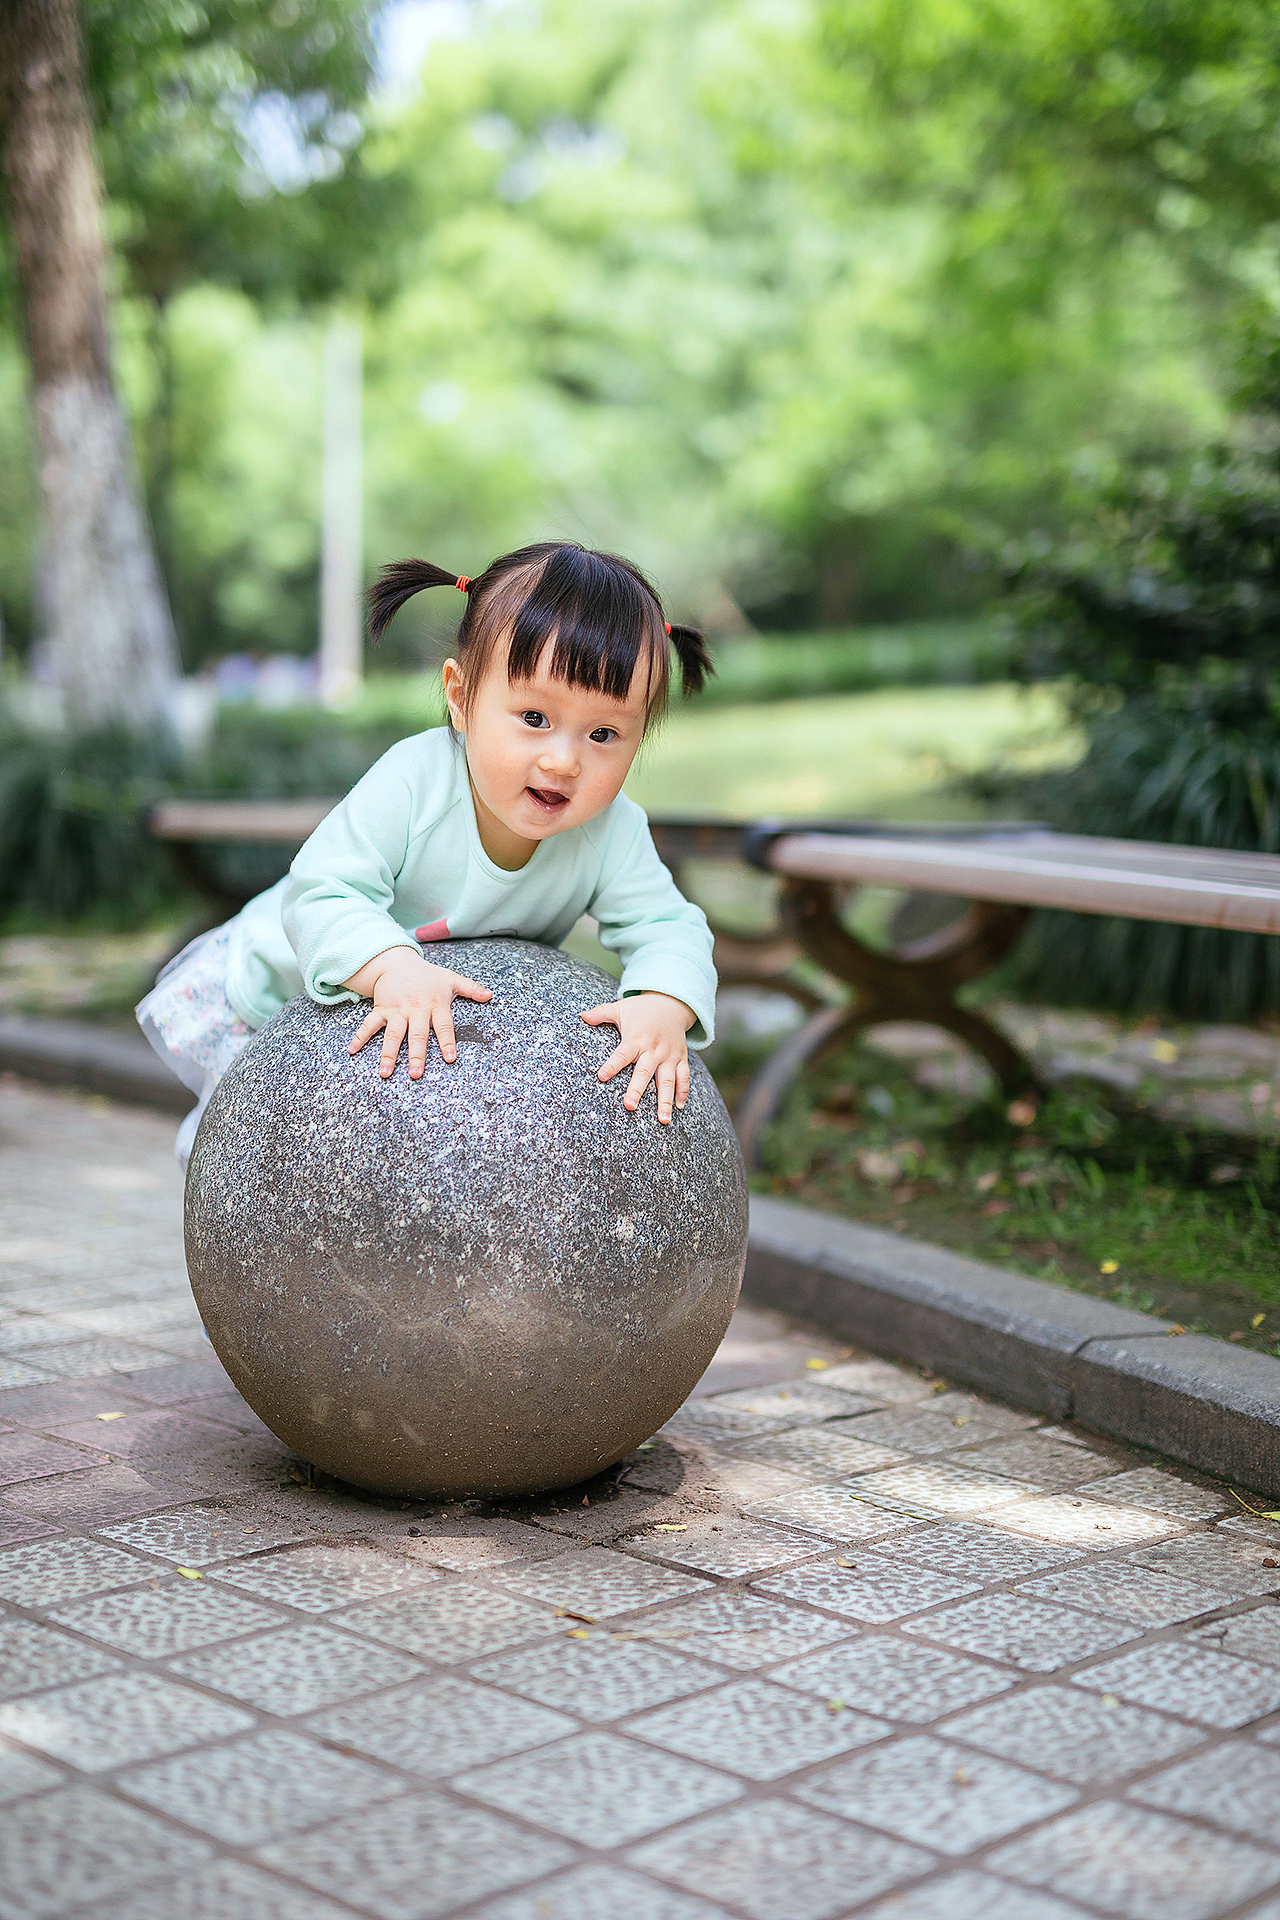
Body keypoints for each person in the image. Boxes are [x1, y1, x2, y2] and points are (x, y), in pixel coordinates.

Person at [138, 540, 719, 1168]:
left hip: (419, 1025)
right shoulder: (415, 781)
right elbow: (322, 888)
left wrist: (664, 1000)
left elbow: (669, 924)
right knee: (246, 1155)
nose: (563, 760)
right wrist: (392, 969)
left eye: (603, 733)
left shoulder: (613, 830)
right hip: (279, 987)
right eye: (534, 718)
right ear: (461, 698)